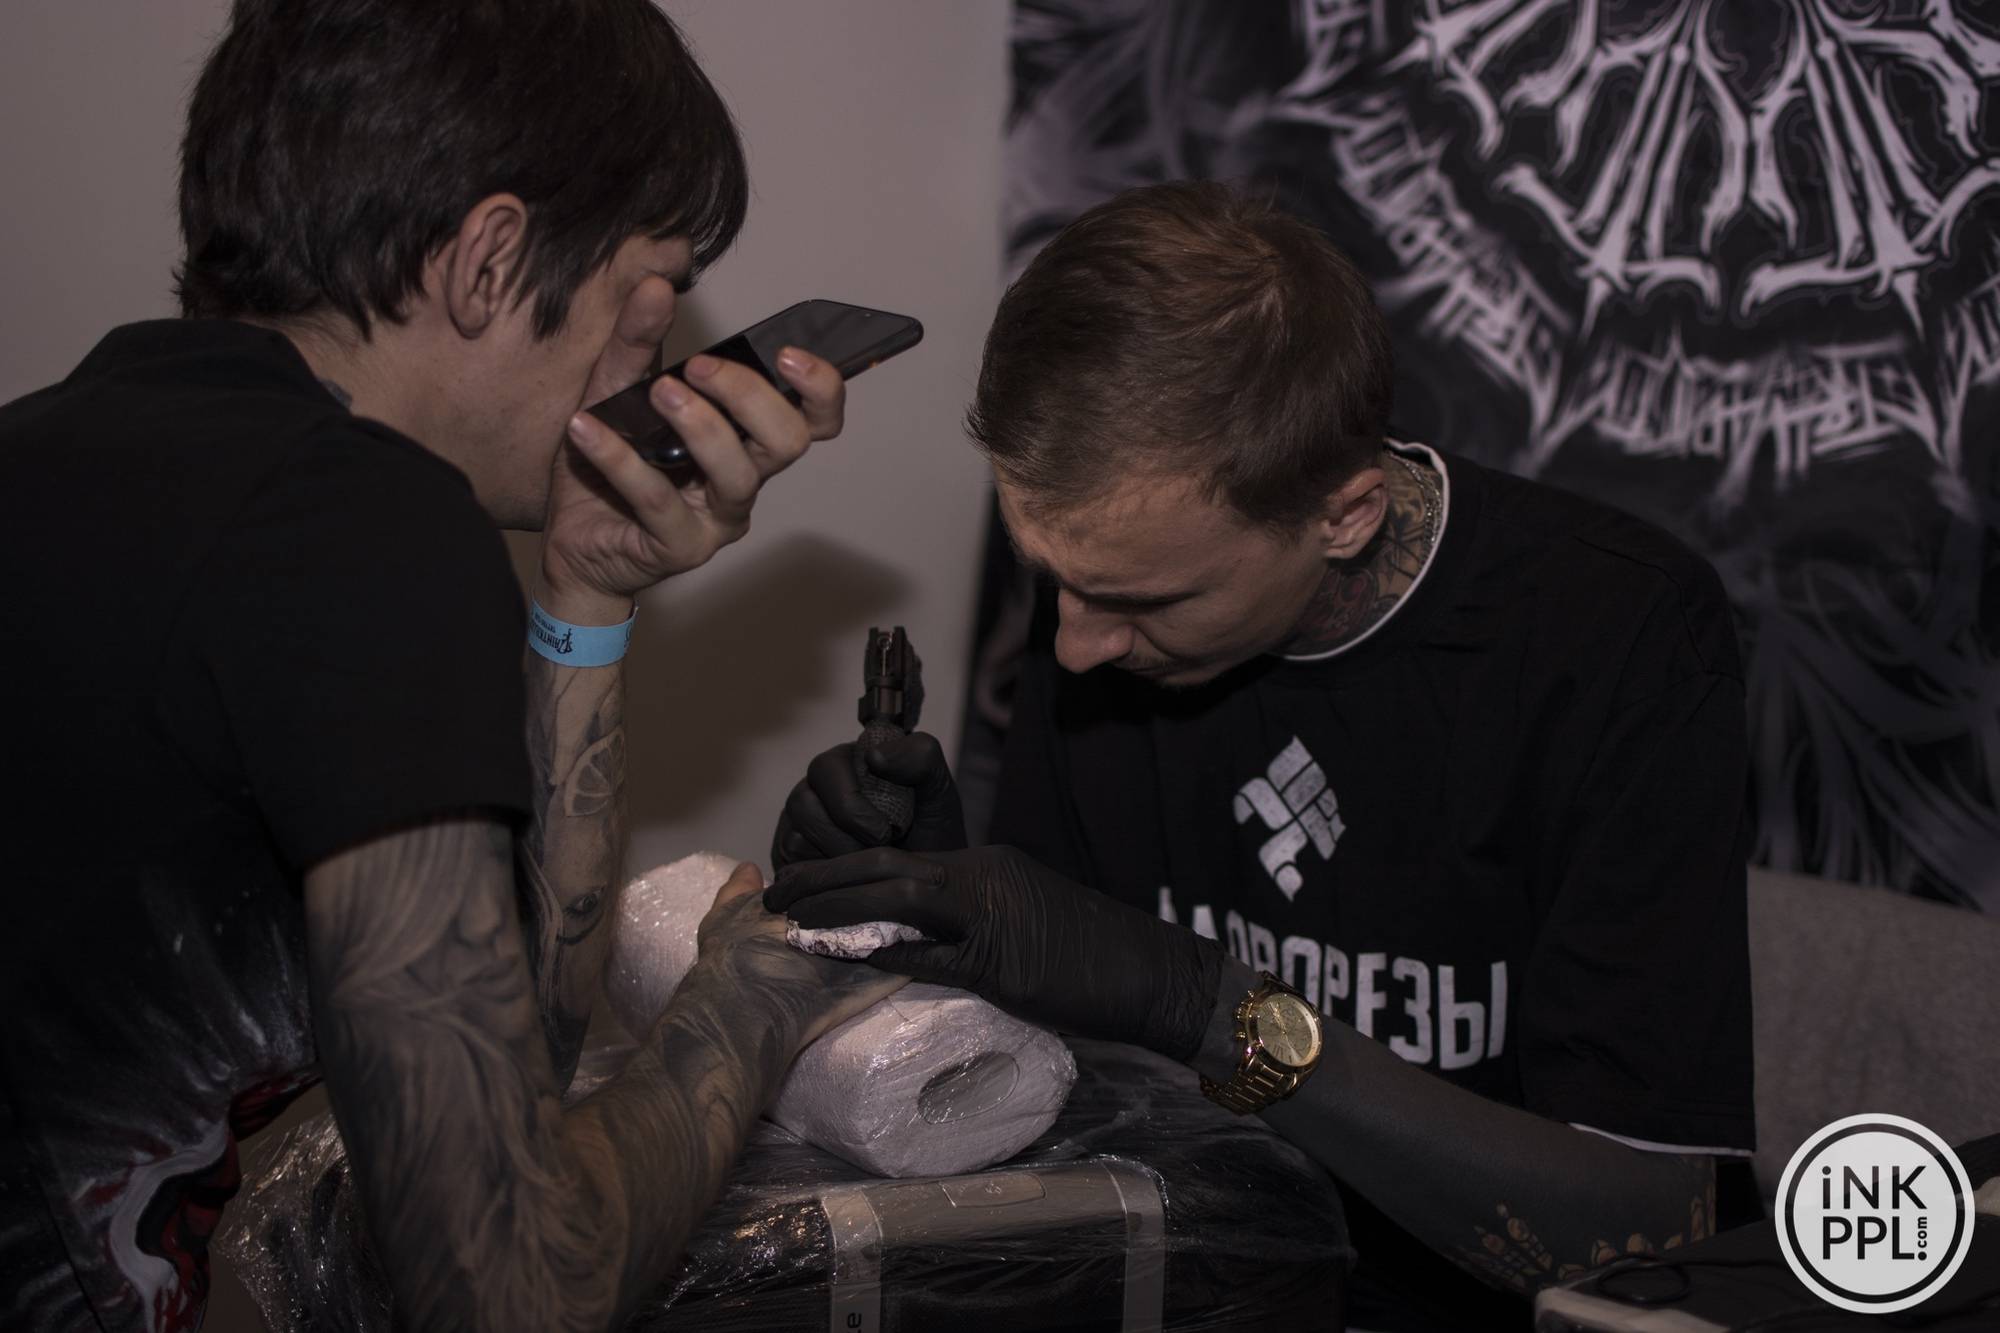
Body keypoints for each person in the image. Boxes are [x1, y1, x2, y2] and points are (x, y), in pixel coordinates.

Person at [0, 3, 903, 1330]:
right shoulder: (361, 526)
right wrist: (751, 1006)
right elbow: (510, 1284)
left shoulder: (62, 456)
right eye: (645, 301)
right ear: (490, 262)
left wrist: (585, 594)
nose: (641, 365)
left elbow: (508, 1043)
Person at [769, 180, 1757, 1331]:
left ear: (1343, 515)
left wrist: (1206, 1003)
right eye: (1055, 582)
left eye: (1138, 600)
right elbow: (1063, 1080)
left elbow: (1654, 1234)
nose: (1075, 647)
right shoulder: (1118, 586)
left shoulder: (1614, 637)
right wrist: (952, 931)